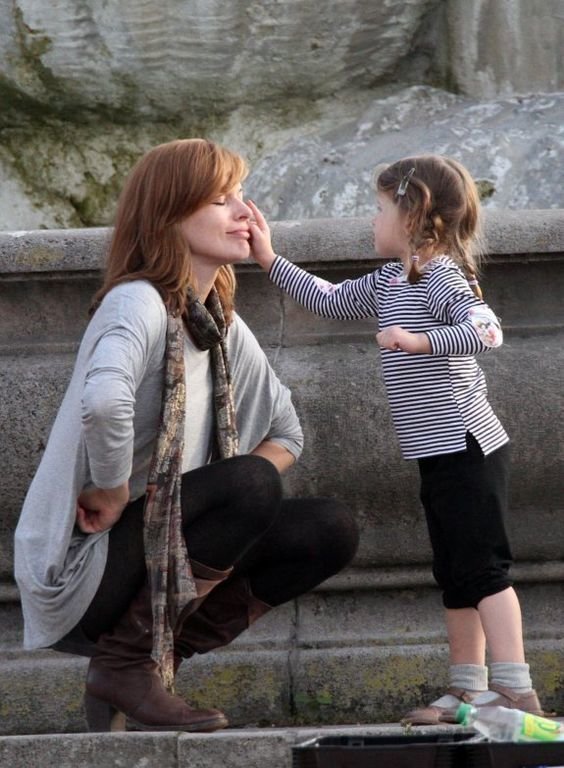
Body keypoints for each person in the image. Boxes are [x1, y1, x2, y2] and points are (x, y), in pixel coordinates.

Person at [14, 138, 359, 733]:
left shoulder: (216, 321)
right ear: (170, 214)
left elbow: (287, 433)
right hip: (87, 570)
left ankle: (144, 665)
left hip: (151, 561)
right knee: (250, 483)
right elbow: (103, 403)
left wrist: (221, 515)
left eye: (242, 197)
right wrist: (115, 487)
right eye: (222, 200)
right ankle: (124, 662)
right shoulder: (137, 303)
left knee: (328, 528)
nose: (244, 213)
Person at [249, 154, 545, 724]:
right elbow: (330, 300)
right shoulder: (392, 279)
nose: (373, 219)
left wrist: (418, 341)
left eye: (380, 207)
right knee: (454, 573)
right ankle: (466, 690)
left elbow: (488, 330)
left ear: (412, 215)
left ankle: (514, 689)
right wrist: (268, 259)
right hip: (435, 452)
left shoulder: (440, 276)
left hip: (467, 444)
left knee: (484, 570)